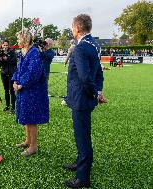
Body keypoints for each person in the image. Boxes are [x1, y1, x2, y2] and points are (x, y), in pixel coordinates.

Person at [63, 14, 108, 188]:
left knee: (82, 137)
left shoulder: (81, 47)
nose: (72, 29)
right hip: (85, 97)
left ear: (77, 28)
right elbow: (98, 72)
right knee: (82, 135)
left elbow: (84, 76)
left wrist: (95, 93)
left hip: (81, 99)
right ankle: (80, 162)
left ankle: (83, 178)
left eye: (72, 26)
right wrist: (98, 90)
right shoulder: (94, 44)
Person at [12, 30, 49, 157]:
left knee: (32, 118)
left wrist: (22, 83)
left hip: (33, 91)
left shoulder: (34, 52)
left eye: (19, 38)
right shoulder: (22, 52)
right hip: (24, 90)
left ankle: (34, 146)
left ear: (25, 39)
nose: (17, 40)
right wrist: (15, 81)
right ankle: (28, 141)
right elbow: (18, 69)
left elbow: (34, 72)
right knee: (26, 116)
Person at [0, 40, 17, 114]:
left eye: (6, 45)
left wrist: (7, 59)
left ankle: (13, 107)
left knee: (12, 90)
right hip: (4, 73)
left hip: (11, 73)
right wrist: (1, 59)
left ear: (8, 45)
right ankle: (7, 105)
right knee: (6, 90)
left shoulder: (12, 52)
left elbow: (14, 62)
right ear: (2, 45)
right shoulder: (0, 53)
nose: (5, 46)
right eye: (4, 45)